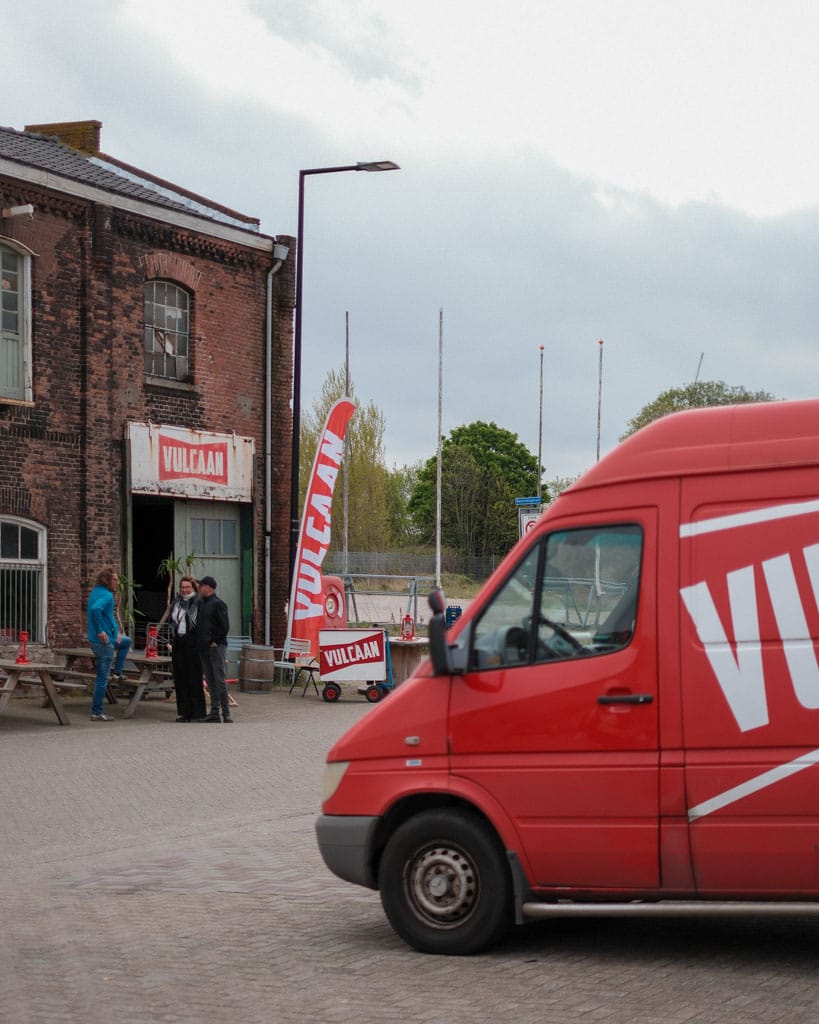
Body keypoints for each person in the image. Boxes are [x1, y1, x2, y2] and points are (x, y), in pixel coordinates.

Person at [86, 566, 132, 722]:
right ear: (106, 580)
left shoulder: (96, 592)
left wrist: (115, 633)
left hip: (106, 639)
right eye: (114, 579)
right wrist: (100, 631)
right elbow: (95, 609)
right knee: (101, 679)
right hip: (103, 642)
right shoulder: (107, 595)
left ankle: (118, 672)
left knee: (126, 642)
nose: (117, 582)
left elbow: (107, 616)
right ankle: (97, 712)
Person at [162, 575, 206, 723]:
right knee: (180, 677)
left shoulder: (198, 602)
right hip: (178, 641)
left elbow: (199, 623)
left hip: (193, 641)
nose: (184, 590)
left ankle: (198, 712)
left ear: (193, 588)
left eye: (187, 587)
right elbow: (172, 620)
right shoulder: (176, 602)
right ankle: (184, 712)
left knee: (194, 677)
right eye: (182, 587)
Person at [195, 575, 232, 723]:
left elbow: (224, 626)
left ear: (209, 587)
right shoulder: (202, 603)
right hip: (204, 647)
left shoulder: (218, 604)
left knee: (219, 679)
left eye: (202, 585)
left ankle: (226, 713)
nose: (199, 588)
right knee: (210, 680)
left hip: (215, 646)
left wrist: (214, 641)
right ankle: (215, 712)